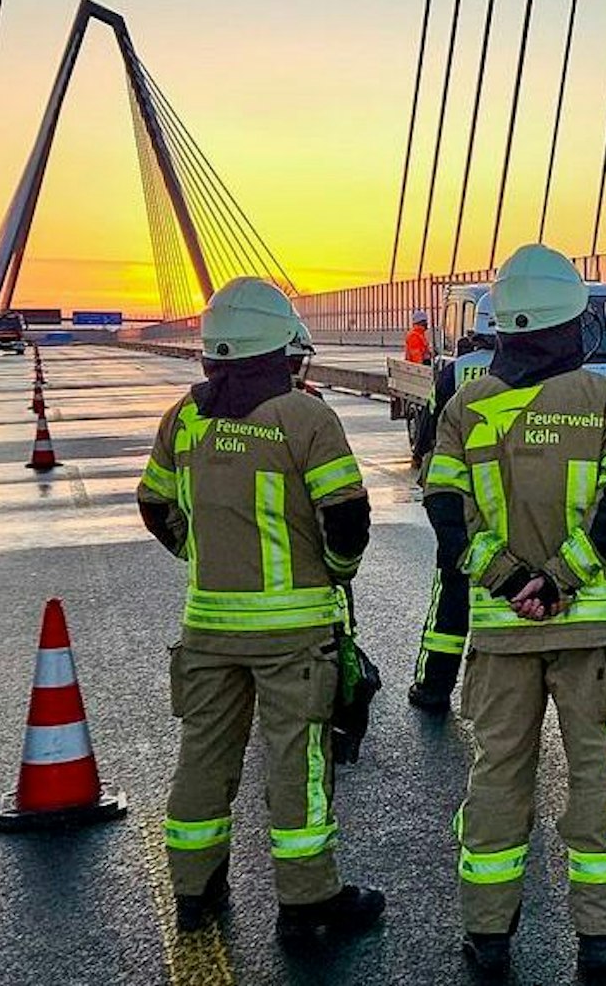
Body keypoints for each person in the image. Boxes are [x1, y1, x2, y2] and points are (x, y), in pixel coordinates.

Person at [136, 277, 385, 947]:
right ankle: (308, 902)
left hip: (208, 627)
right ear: (278, 351)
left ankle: (195, 891)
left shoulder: (184, 419)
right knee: (297, 763)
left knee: (203, 757)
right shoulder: (304, 417)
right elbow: (347, 517)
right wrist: (336, 572)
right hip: (293, 633)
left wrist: (202, 554)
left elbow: (154, 504)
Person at [426, 244, 606, 978]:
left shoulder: (465, 408)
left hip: (501, 635)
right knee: (596, 777)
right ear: (570, 322)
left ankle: (487, 931)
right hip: (590, 628)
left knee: (496, 774)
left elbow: (447, 515)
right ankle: (602, 932)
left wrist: (508, 580)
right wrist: (560, 581)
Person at [407, 294, 498, 714]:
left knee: (452, 591)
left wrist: (423, 457)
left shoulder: (456, 371)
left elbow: (428, 423)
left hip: (460, 498)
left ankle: (434, 687)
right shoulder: (532, 374)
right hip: (511, 499)